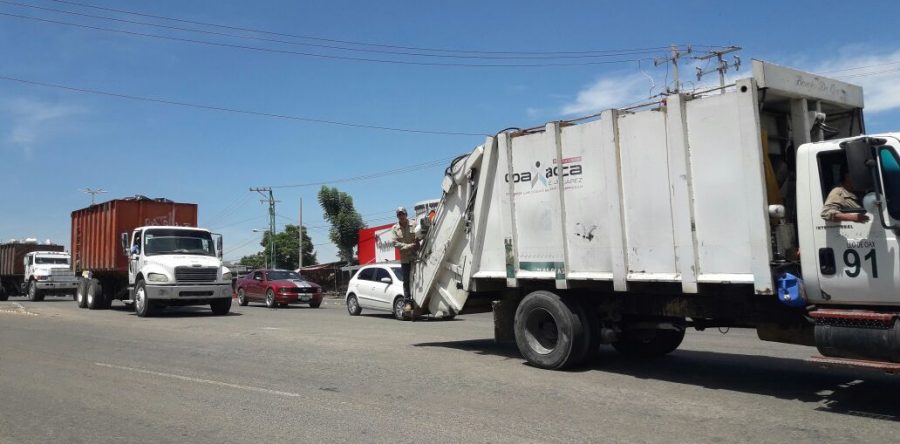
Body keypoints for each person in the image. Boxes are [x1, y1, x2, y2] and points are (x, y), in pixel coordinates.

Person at [391, 206, 418, 312]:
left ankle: (418, 299)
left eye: (402, 214)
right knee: (406, 281)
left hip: (416, 257)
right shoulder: (394, 228)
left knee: (418, 279)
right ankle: (407, 302)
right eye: (399, 215)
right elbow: (395, 243)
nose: (401, 216)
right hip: (405, 259)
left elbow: (420, 236)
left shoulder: (414, 224)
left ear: (406, 215)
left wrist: (417, 243)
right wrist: (409, 246)